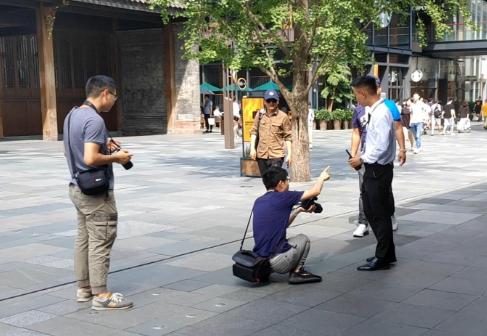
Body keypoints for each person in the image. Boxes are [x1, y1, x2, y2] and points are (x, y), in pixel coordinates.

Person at [63, 75, 133, 310]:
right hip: (95, 192)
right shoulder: (94, 120)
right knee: (101, 240)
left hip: (77, 186)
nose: (114, 101)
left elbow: (74, 152)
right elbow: (91, 157)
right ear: (105, 93)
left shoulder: (72, 114)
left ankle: (84, 289)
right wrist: (117, 157)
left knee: (83, 239)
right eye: (114, 96)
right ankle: (101, 295)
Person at [349, 75, 404, 271]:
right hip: (376, 168)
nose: (357, 99)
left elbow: (380, 146)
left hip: (377, 169)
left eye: (356, 94)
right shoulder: (377, 110)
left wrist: (361, 159)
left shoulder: (380, 113)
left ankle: (383, 256)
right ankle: (386, 254)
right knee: (374, 212)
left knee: (378, 213)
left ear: (363, 93)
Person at [252, 166, 331, 284]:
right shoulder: (284, 196)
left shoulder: (259, 200)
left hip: (261, 260)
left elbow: (281, 224)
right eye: (287, 180)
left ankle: (268, 270)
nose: (288, 184)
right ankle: (297, 272)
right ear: (280, 183)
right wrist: (321, 178)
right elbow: (315, 191)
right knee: (303, 239)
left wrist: (298, 210)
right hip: (278, 261)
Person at [250, 90, 292, 176]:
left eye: (274, 100)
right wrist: (252, 149)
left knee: (274, 179)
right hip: (262, 155)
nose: (271, 103)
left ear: (278, 102)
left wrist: (290, 154)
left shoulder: (283, 117)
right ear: (264, 102)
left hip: (277, 155)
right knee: (267, 182)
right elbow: (253, 132)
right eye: (269, 101)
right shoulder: (260, 115)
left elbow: (288, 137)